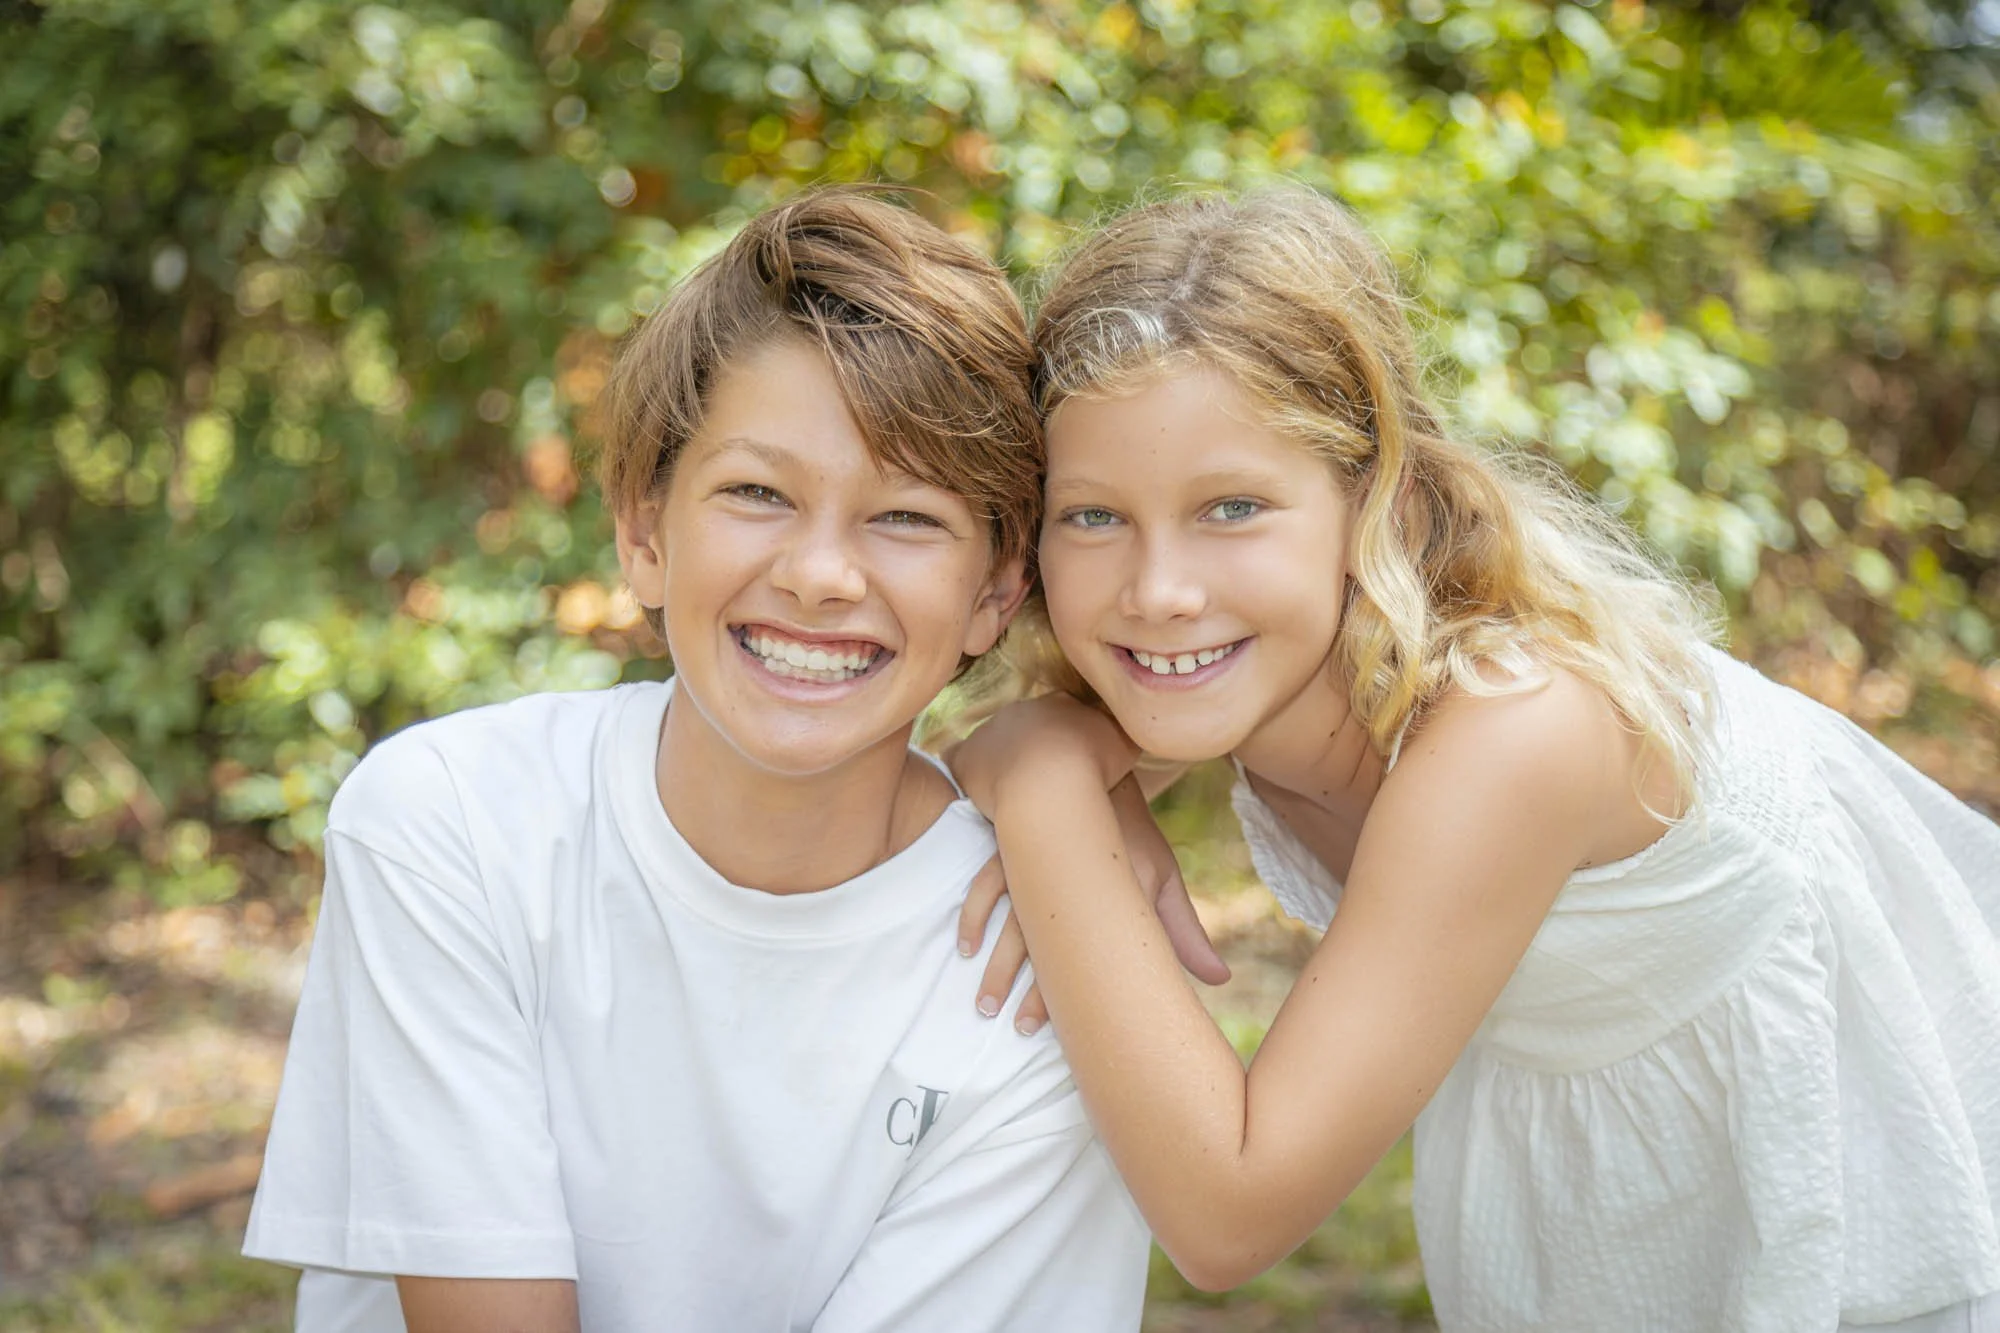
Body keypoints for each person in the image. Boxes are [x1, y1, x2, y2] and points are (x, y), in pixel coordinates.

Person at [949, 187, 2000, 1332]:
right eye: (1092, 517)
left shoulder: (1514, 727)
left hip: (1849, 1129)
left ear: (1375, 498)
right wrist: (1050, 743)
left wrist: (1048, 784)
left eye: (1233, 507)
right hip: (1608, 1172)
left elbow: (1227, 1209)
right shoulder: (1235, 669)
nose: (1157, 591)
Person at [241, 189, 1155, 1333]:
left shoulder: (1045, 967)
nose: (820, 574)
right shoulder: (453, 825)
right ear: (643, 532)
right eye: (757, 493)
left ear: (995, 589)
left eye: (907, 516)